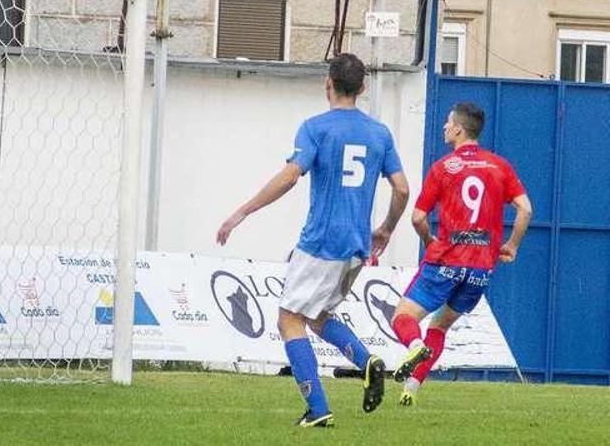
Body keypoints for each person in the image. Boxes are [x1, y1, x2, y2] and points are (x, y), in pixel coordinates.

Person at [216, 53, 410, 427]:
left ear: (328, 84)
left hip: (322, 241)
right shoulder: (380, 133)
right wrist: (385, 228)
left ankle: (318, 410)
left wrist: (242, 212)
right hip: (357, 247)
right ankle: (368, 361)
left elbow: (291, 177)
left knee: (289, 319)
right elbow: (401, 189)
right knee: (318, 317)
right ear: (364, 88)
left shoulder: (316, 128)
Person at [391, 102, 532, 406]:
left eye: (447, 122)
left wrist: (429, 239)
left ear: (458, 129)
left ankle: (414, 345)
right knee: (440, 326)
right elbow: (526, 209)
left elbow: (417, 218)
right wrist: (512, 245)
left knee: (402, 317)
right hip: (480, 269)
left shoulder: (443, 167)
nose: (444, 127)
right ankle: (412, 386)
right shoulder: (500, 166)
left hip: (446, 260)